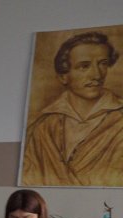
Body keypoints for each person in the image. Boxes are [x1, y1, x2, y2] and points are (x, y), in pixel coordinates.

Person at [22, 32, 123, 186]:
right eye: (84, 66)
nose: (97, 75)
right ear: (63, 76)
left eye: (103, 64)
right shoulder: (43, 128)